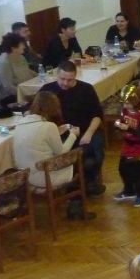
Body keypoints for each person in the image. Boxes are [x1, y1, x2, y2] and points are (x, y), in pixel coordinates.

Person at [38, 60, 105, 196]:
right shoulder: (47, 90)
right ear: (57, 75)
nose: (65, 83)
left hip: (85, 131)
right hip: (59, 134)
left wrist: (89, 133)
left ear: (75, 76)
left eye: (70, 80)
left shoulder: (86, 89)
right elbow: (36, 113)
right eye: (62, 79)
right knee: (78, 156)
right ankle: (78, 186)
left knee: (95, 151)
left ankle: (86, 182)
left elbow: (97, 116)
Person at [12, 91, 78, 189]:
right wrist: (73, 135)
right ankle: (75, 194)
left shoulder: (20, 123)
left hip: (26, 177)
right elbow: (61, 152)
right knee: (80, 161)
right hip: (45, 178)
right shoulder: (49, 126)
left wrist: (57, 131)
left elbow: (39, 137)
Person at [113, 83, 140, 207]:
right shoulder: (124, 111)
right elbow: (122, 121)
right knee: (123, 169)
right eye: (124, 103)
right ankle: (129, 190)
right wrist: (118, 124)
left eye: (128, 103)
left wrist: (128, 128)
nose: (125, 106)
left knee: (139, 173)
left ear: (136, 101)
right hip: (127, 145)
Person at [0, 33, 35, 103]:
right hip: (12, 96)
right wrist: (26, 94)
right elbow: (8, 87)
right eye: (21, 44)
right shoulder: (4, 63)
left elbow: (27, 71)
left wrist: (41, 76)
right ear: (13, 48)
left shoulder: (21, 57)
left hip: (25, 90)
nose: (24, 47)